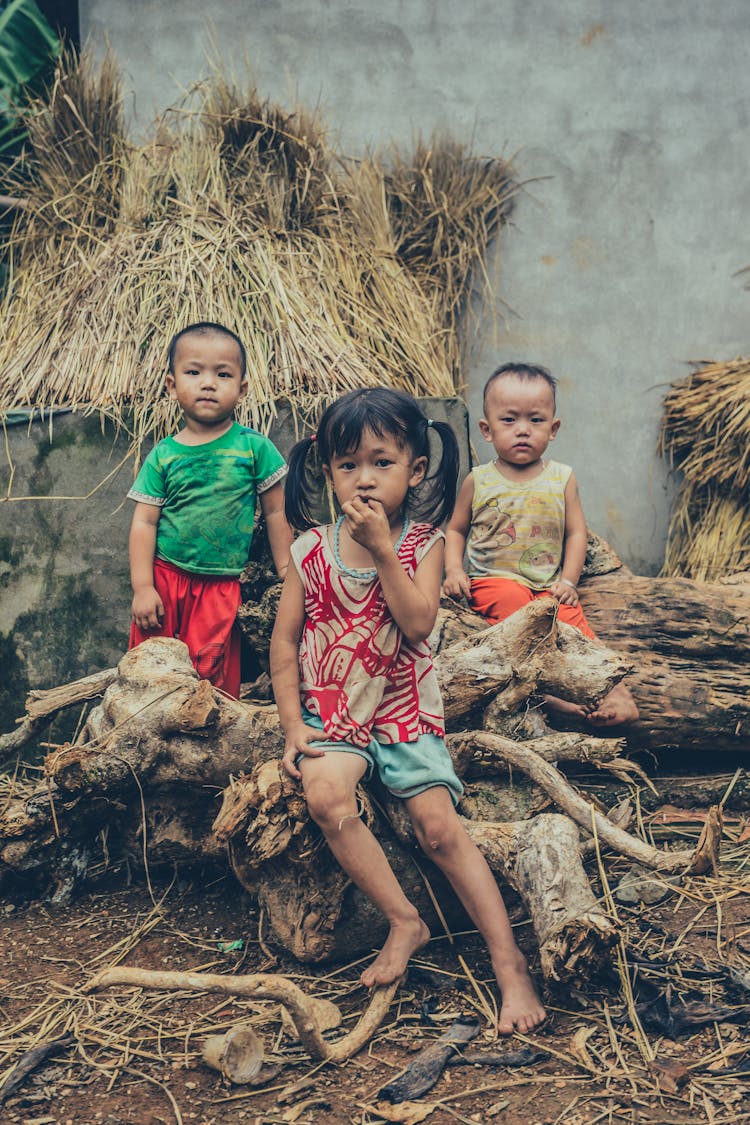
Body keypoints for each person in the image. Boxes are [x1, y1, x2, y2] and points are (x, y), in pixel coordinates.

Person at [270, 386, 546, 1034]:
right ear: (326, 469)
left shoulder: (423, 544)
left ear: (415, 469)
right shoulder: (309, 551)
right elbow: (284, 645)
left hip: (402, 708)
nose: (363, 477)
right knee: (326, 795)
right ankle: (405, 918)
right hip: (336, 714)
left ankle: (510, 967)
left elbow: (419, 623)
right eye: (347, 465)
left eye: (381, 462)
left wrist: (383, 549)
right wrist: (291, 725)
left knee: (439, 829)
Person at [443, 361, 638, 725]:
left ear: (554, 428)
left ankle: (617, 691)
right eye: (509, 420)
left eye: (535, 420)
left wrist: (568, 581)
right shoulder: (479, 480)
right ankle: (547, 693)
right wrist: (454, 570)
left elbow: (575, 533)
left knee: (575, 628)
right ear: (486, 429)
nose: (522, 430)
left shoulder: (562, 478)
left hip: (548, 585)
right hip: (495, 581)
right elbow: (455, 530)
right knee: (515, 609)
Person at [128, 321, 293, 698]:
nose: (208, 383)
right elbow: (144, 521)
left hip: (221, 586)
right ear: (172, 385)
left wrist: (286, 570)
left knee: (210, 676)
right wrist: (142, 587)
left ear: (242, 388)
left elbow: (275, 513)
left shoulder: (254, 448)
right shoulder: (164, 456)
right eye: (193, 372)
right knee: (150, 673)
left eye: (222, 374)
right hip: (165, 579)